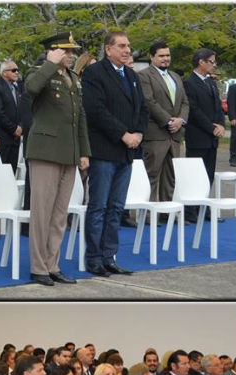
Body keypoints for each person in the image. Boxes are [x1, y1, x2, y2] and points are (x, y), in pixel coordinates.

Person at [24, 32, 90, 286]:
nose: (71, 55)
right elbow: (31, 89)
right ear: (54, 51)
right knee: (42, 213)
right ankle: (38, 267)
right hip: (45, 150)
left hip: (68, 151)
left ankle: (53, 265)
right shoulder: (40, 72)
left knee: (60, 215)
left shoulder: (72, 77)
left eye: (72, 51)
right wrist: (50, 63)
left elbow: (79, 117)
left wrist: (83, 152)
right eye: (66, 51)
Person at [81, 30, 148, 277]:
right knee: (99, 206)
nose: (127, 50)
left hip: (127, 153)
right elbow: (96, 110)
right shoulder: (94, 73)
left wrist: (138, 133)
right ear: (108, 49)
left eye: (128, 45)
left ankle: (110, 257)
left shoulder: (131, 75)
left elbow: (142, 108)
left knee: (116, 208)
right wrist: (123, 134)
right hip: (104, 150)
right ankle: (94, 258)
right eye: (121, 45)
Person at [138, 41, 190, 207]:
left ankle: (166, 213)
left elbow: (185, 102)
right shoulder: (144, 76)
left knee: (171, 177)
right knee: (151, 176)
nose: (165, 58)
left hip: (174, 135)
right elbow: (149, 102)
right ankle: (148, 213)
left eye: (167, 55)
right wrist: (168, 121)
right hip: (155, 135)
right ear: (152, 57)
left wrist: (180, 120)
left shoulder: (175, 76)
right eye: (161, 56)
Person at [184, 47, 226, 199]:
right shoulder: (189, 83)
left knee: (209, 174)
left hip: (212, 139)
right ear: (201, 62)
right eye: (211, 62)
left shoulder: (211, 82)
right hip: (198, 137)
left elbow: (218, 106)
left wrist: (221, 125)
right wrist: (211, 127)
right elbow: (194, 111)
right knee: (195, 176)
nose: (214, 65)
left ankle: (205, 206)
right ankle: (193, 208)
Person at [0, 59, 24, 172]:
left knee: (12, 171)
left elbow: (20, 110)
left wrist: (20, 126)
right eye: (13, 70)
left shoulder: (16, 88)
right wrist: (13, 128)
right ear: (4, 73)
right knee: (2, 172)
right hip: (3, 136)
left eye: (17, 70)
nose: (17, 72)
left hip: (15, 138)